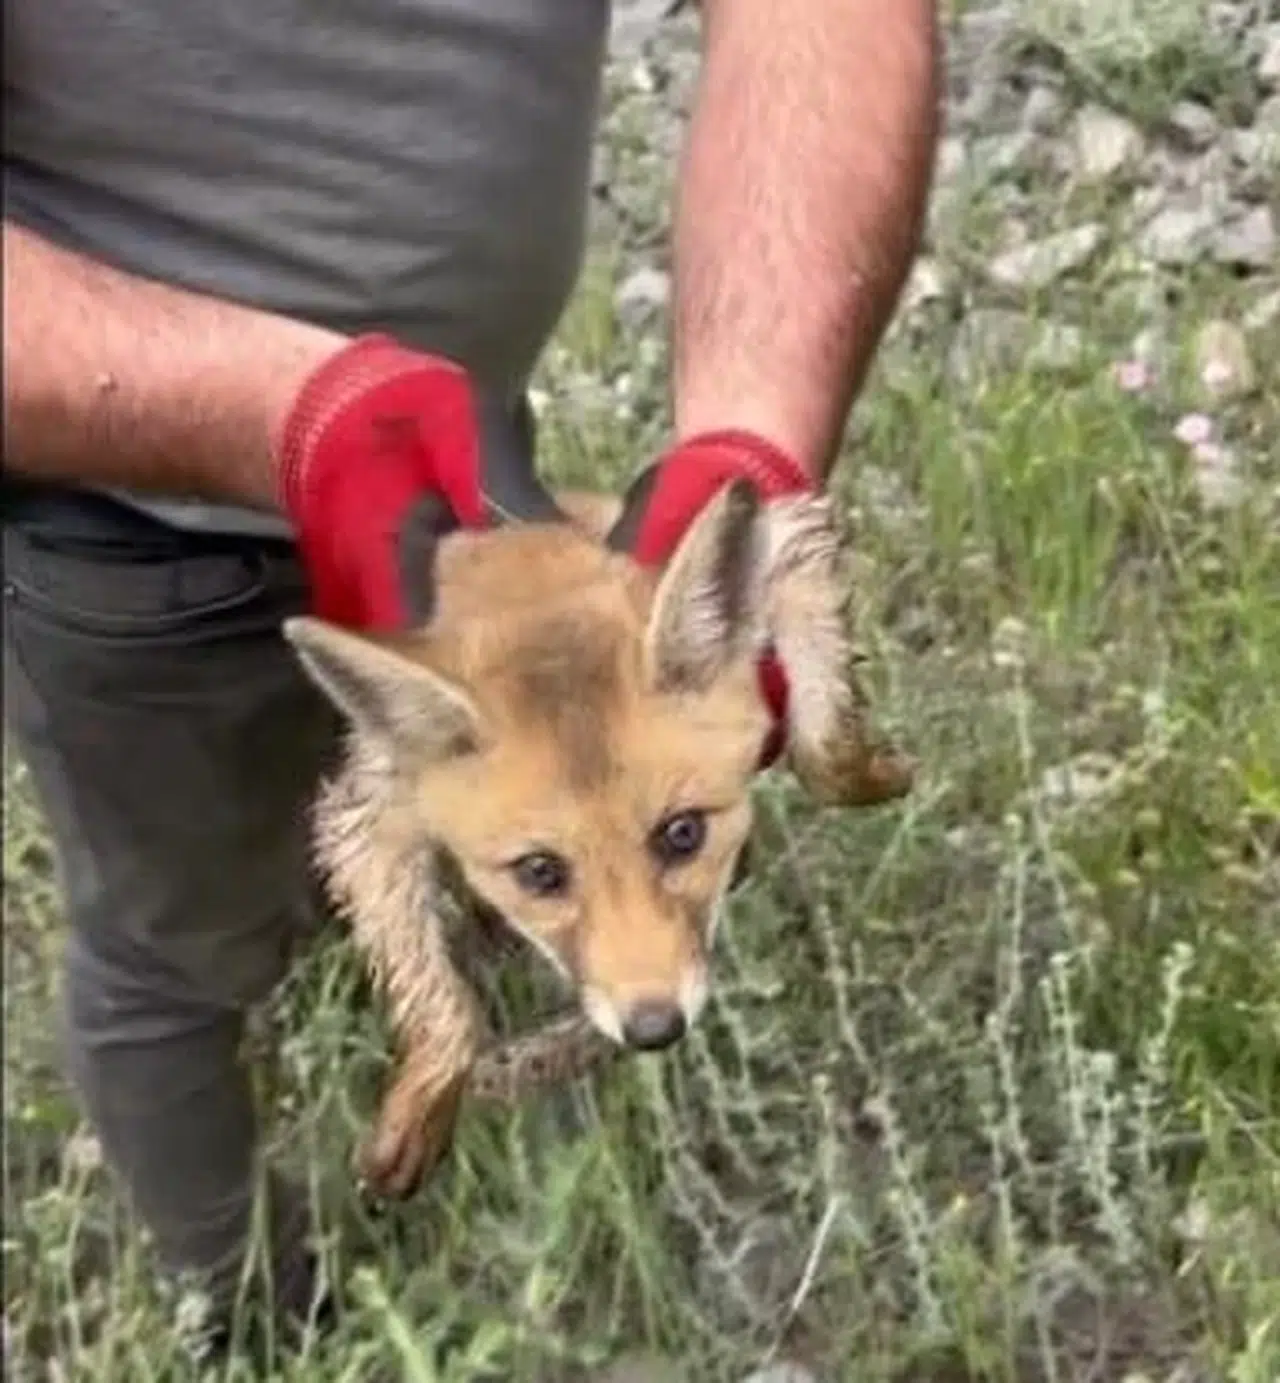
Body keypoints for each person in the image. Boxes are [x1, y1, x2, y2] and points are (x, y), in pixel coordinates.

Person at [2, 0, 941, 1363]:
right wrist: (283, 416)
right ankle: (248, 1307)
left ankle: (530, 1181)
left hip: (456, 446)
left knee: (529, 828)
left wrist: (753, 444)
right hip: (132, 526)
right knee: (179, 952)